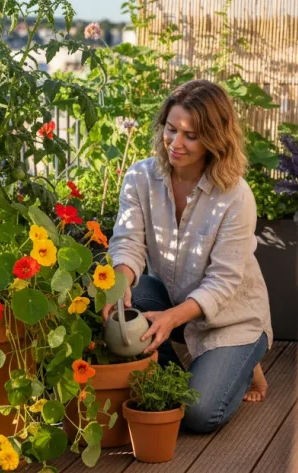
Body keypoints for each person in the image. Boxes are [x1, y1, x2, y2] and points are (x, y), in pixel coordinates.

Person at [104, 79, 273, 434]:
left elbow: (223, 281)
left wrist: (170, 318)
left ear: (214, 138)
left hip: (233, 319)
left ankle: (244, 358)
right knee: (137, 293)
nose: (175, 143)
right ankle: (196, 375)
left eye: (191, 135)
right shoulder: (140, 177)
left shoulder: (236, 196)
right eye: (171, 129)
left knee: (198, 414)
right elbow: (128, 242)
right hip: (175, 301)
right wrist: (118, 284)